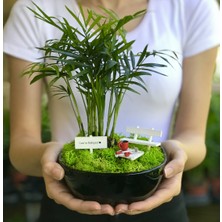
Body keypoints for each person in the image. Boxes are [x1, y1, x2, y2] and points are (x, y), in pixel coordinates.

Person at [3, 0, 219, 221]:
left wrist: (177, 155)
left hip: (158, 196)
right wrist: (49, 158)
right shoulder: (35, 8)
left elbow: (193, 137)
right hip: (69, 192)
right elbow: (21, 145)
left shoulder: (192, 6)